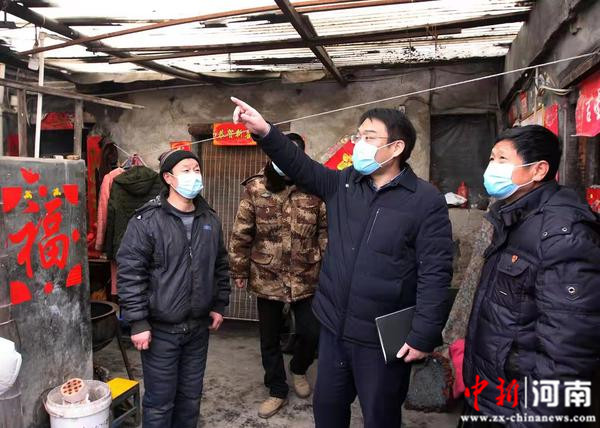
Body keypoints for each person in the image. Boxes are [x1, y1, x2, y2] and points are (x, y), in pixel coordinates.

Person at [230, 97, 453, 428]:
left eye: (369, 137)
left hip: (381, 336)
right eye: (357, 136)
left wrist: (423, 333)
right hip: (335, 327)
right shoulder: (344, 184)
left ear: (396, 147)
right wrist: (264, 131)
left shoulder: (424, 200)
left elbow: (436, 271)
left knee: (380, 416)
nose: (358, 144)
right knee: (328, 410)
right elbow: (300, 166)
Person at [461, 125, 600, 427]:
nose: (491, 167)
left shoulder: (563, 234)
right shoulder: (513, 216)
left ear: (538, 170)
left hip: (519, 408)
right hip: (491, 396)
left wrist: (533, 419)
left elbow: (567, 348)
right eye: (492, 158)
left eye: (502, 159)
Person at [117, 149, 231, 428]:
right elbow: (131, 273)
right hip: (161, 331)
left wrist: (219, 303)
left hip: (197, 329)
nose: (194, 176)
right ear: (168, 178)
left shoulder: (209, 219)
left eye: (197, 170)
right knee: (160, 402)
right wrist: (138, 321)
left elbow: (220, 264)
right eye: (186, 170)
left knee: (190, 399)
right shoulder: (147, 221)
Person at [229, 133, 326, 418]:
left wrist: (330, 266)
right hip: (266, 274)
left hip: (306, 274)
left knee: (312, 332)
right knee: (269, 338)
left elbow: (325, 231)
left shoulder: (315, 185)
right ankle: (277, 388)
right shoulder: (255, 187)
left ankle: (298, 368)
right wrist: (239, 269)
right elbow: (241, 232)